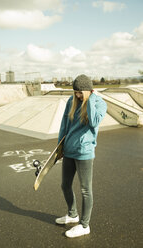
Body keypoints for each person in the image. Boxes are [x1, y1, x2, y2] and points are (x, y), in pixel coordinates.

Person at [55, 74, 107, 238]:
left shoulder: (99, 103)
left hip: (84, 152)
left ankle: (84, 225)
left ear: (88, 90)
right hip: (69, 150)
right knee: (65, 185)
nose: (77, 95)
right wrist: (59, 146)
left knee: (85, 190)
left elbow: (93, 122)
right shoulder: (72, 102)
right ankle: (72, 215)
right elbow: (65, 124)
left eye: (80, 92)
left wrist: (90, 98)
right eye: (75, 92)